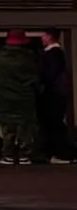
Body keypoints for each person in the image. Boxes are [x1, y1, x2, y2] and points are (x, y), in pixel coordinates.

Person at [0, 28, 40, 166]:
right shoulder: (28, 58)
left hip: (5, 98)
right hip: (25, 97)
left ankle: (8, 154)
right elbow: (34, 78)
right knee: (25, 127)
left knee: (7, 127)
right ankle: (24, 154)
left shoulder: (0, 59)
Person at [39, 28, 75, 164]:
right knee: (54, 124)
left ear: (51, 37)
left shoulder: (54, 53)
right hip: (55, 94)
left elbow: (50, 73)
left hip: (54, 94)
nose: (42, 38)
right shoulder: (55, 53)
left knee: (54, 124)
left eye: (44, 35)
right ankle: (57, 152)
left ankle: (61, 153)